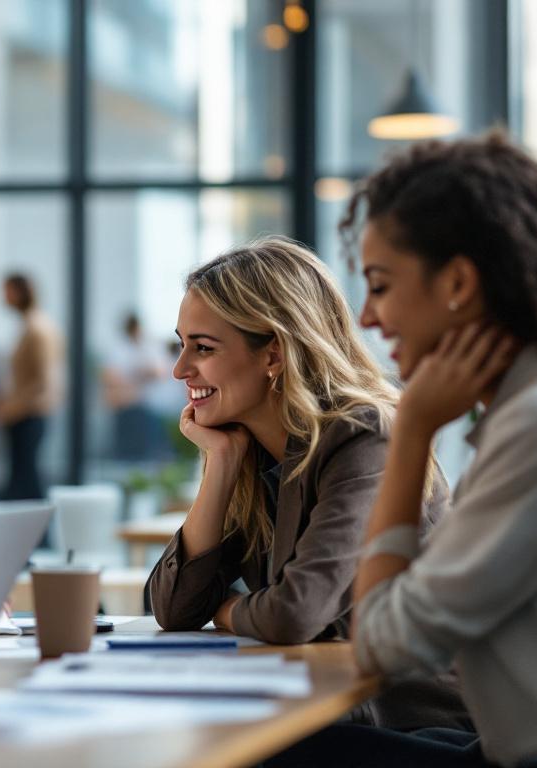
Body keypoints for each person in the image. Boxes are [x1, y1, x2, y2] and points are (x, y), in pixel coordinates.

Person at [273, 134, 537, 766]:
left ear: (457, 281)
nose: (368, 318)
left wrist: (413, 433)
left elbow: (379, 642)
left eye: (380, 285)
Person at [148, 236, 466, 731]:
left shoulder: (365, 435)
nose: (179, 369)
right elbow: (175, 608)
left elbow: (295, 613)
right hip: (320, 710)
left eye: (203, 348)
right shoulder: (250, 445)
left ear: (273, 355)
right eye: (182, 343)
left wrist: (228, 610)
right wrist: (222, 462)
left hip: (409, 725)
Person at [0, 273, 63, 500]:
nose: (3, 296)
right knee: (24, 482)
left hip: (29, 416)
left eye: (7, 290)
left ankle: (42, 535)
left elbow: (45, 382)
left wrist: (11, 408)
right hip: (23, 416)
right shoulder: (30, 325)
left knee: (28, 484)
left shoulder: (37, 327)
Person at [100, 312, 170, 461]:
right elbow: (111, 378)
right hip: (126, 408)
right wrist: (139, 377)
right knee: (126, 452)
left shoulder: (148, 347)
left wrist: (133, 378)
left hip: (146, 407)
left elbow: (159, 372)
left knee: (146, 452)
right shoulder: (119, 349)